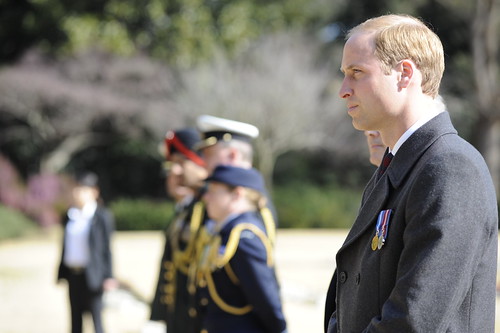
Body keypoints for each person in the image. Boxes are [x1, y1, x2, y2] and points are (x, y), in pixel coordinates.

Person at [325, 14, 498, 333]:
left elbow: (412, 321)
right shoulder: (398, 165)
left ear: (404, 74)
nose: (343, 90)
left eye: (356, 73)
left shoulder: (450, 168)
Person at [198, 165, 287, 333]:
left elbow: (265, 298)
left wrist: (280, 329)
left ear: (236, 194)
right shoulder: (225, 232)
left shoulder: (244, 237)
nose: (206, 197)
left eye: (213, 191)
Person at [148, 128, 208, 333]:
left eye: (182, 162)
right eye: (173, 164)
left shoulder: (206, 211)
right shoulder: (185, 212)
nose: (174, 172)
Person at [57, 172, 117, 333]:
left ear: (94, 192)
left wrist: (109, 275)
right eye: (76, 189)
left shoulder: (102, 216)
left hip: (93, 276)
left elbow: (107, 248)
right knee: (75, 321)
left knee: (97, 321)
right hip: (73, 274)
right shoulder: (70, 215)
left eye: (82, 189)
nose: (78, 194)